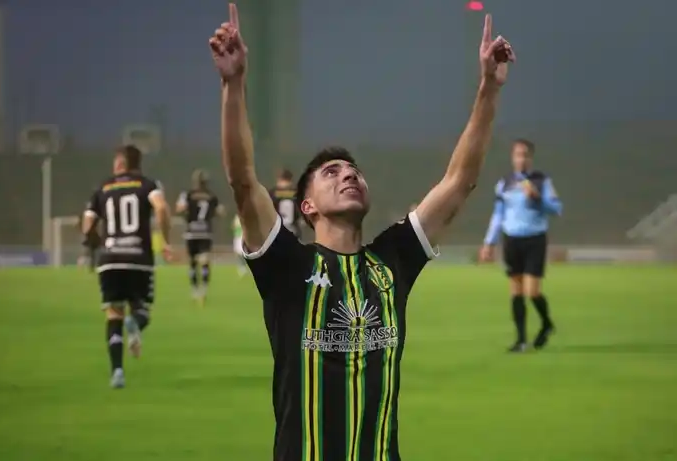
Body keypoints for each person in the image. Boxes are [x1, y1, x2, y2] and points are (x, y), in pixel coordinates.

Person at [211, 5, 514, 459]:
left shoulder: (392, 259)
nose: (349, 174)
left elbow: (459, 182)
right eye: (331, 173)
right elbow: (241, 180)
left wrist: (489, 88)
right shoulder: (287, 266)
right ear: (307, 206)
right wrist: (234, 84)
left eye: (353, 170)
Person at [82, 145, 172, 389]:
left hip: (109, 259)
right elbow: (161, 208)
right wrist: (166, 240)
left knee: (113, 314)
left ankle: (118, 372)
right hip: (138, 259)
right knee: (142, 310)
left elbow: (87, 224)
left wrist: (94, 244)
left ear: (121, 163)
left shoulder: (102, 187)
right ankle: (136, 324)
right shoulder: (148, 184)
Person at [480, 139, 563, 352]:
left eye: (525, 155)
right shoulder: (504, 184)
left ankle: (546, 323)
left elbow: (557, 209)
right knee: (516, 291)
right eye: (518, 155)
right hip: (511, 239)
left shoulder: (542, 181)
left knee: (532, 291)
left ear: (531, 158)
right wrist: (489, 242)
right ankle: (521, 340)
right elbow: (498, 215)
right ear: (512, 158)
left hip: (534, 239)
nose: (521, 159)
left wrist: (537, 198)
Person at [175, 169, 225, 305]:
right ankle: (204, 290)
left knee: (192, 262)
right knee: (204, 261)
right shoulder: (212, 196)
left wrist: (186, 213)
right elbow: (221, 212)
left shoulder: (187, 194)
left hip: (191, 232)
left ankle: (194, 290)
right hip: (205, 232)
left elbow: (179, 208)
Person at [270, 168, 302, 237]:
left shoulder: (273, 193)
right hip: (293, 231)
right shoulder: (297, 193)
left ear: (279, 179)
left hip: (277, 232)